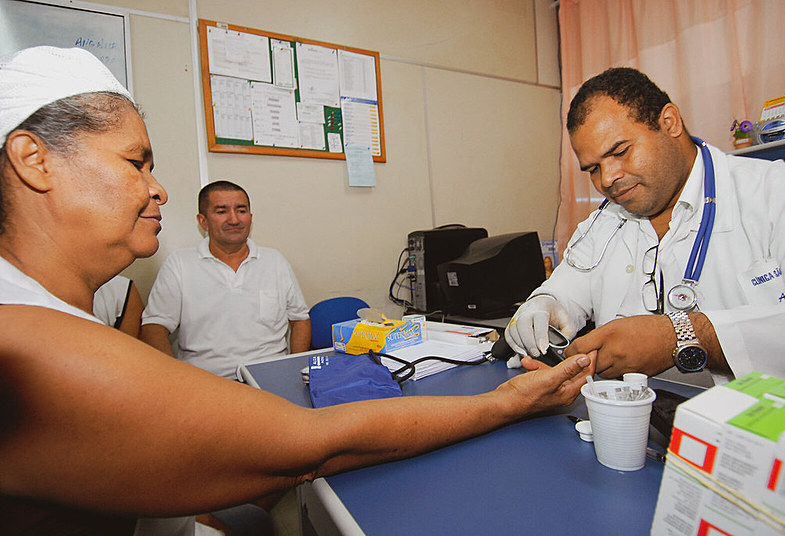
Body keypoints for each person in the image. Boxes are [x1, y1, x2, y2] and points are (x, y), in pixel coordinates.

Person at [0, 46, 595, 535]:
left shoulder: (44, 316)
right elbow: (315, 445)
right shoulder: (30, 346)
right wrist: (509, 402)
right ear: (34, 160)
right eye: (136, 162)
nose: (158, 190)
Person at [505, 67, 785, 385]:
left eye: (620, 152)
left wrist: (684, 335)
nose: (607, 179)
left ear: (669, 123)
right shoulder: (601, 225)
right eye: (593, 168)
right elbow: (562, 293)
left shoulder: (779, 193)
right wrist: (542, 306)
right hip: (624, 422)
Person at [139, 180, 311, 379]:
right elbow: (154, 327)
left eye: (241, 210)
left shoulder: (275, 261)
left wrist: (295, 370)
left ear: (250, 217)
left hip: (269, 378)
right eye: (221, 211)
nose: (234, 219)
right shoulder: (180, 263)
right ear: (203, 221)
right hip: (206, 381)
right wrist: (176, 378)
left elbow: (300, 319)